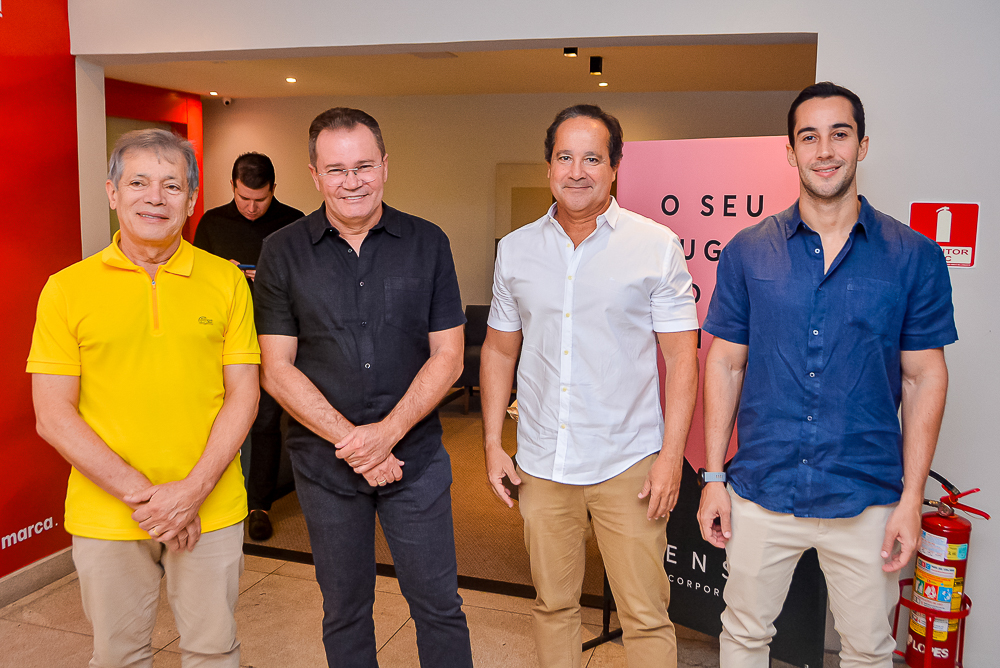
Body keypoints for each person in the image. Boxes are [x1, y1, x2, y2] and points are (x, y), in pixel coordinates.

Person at [697, 82, 958, 667]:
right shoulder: (747, 252)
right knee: (743, 635)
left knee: (868, 649)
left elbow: (924, 378)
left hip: (867, 494)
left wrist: (912, 498)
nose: (824, 150)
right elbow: (725, 362)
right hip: (762, 489)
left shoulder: (913, 255)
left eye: (839, 134)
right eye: (808, 137)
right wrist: (713, 477)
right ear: (790, 151)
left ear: (862, 145)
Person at [27, 129, 260, 667]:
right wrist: (155, 501)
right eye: (138, 182)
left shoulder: (227, 282)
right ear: (112, 192)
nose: (155, 197)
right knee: (119, 657)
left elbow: (243, 395)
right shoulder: (66, 289)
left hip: (212, 506)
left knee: (214, 652)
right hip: (107, 513)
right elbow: (52, 414)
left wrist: (192, 492)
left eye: (171, 185)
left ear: (191, 199)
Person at [253, 107, 473, 668]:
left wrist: (386, 434)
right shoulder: (282, 251)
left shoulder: (428, 242)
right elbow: (276, 368)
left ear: (385, 166)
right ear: (314, 174)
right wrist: (356, 443)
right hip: (325, 467)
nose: (352, 181)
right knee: (345, 609)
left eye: (364, 166)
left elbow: (449, 357)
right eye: (336, 169)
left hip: (415, 462)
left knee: (439, 607)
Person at [481, 104, 700, 668]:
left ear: (615, 166)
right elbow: (500, 350)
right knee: (553, 606)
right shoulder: (516, 249)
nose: (577, 171)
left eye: (592, 159)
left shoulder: (655, 245)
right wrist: (491, 443)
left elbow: (682, 358)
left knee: (645, 616)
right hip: (542, 463)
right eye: (565, 157)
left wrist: (671, 459)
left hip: (629, 464)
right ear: (549, 165)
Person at [194, 151, 304, 541]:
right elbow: (193, 285)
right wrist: (222, 275)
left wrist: (269, 278)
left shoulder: (294, 224)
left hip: (273, 337)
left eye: (260, 199)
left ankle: (259, 504)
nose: (252, 207)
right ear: (232, 187)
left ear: (274, 189)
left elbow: (311, 287)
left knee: (266, 422)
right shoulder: (212, 223)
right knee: (217, 419)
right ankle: (210, 496)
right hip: (222, 338)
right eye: (244, 198)